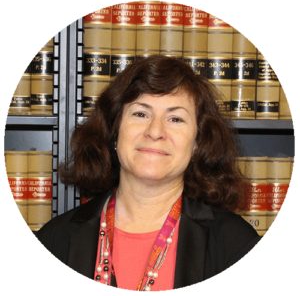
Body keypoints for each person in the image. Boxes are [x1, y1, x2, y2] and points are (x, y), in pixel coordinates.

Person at [36, 55, 261, 291]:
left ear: (197, 143)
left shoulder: (235, 244)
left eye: (175, 118)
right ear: (115, 132)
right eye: (140, 114)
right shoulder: (55, 239)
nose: (155, 132)